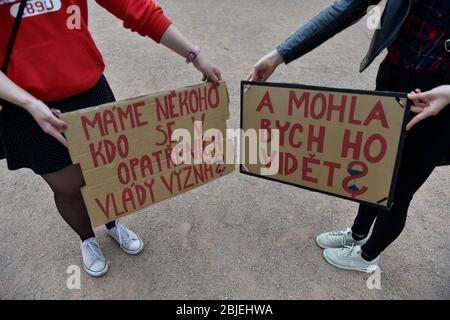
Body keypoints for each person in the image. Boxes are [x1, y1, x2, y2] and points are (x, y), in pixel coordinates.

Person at [0, 0, 222, 277]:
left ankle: (113, 223)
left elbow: (135, 8)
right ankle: (86, 238)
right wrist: (30, 104)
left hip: (88, 90)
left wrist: (194, 54)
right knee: (67, 187)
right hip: (26, 105)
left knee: (106, 173)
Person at [247, 0, 450, 272]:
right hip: (394, 72)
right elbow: (348, 6)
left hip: (440, 94)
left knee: (401, 186)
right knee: (376, 166)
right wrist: (278, 55)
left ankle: (367, 255)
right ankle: (357, 234)